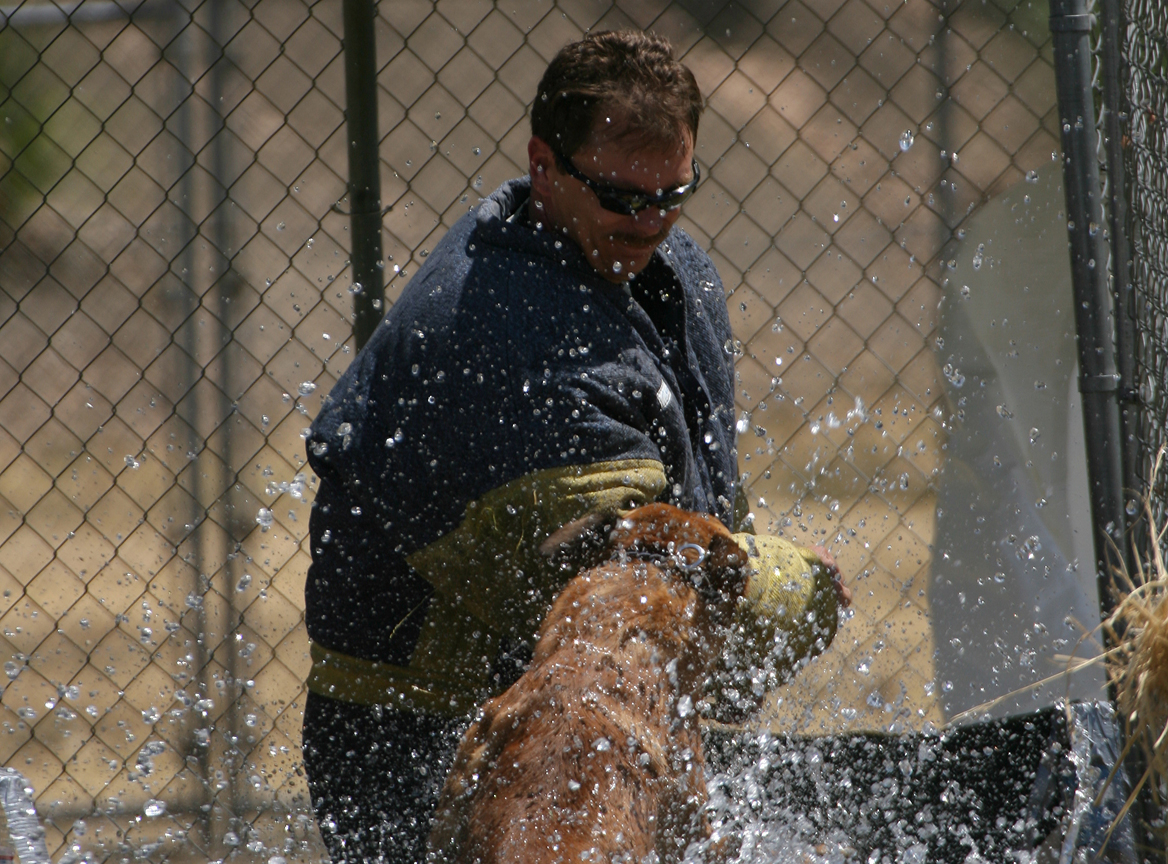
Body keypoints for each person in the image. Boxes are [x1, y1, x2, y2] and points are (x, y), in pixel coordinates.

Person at [301, 30, 850, 863]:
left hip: (575, 719)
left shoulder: (661, 266)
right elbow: (632, 582)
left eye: (675, 194)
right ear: (543, 164)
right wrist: (792, 586)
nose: (652, 222)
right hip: (421, 738)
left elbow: (688, 522)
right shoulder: (506, 335)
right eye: (624, 197)